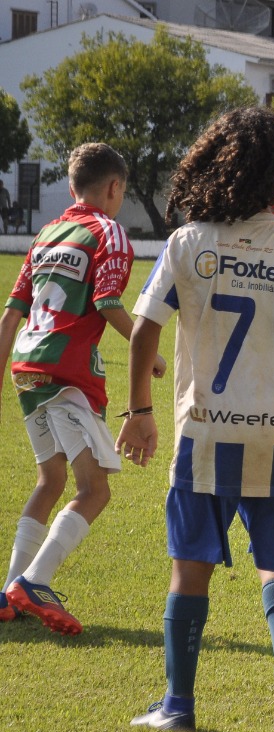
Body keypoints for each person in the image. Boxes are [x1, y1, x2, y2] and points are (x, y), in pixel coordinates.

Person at [119, 107, 274, 732]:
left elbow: (143, 331)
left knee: (189, 567)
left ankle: (177, 705)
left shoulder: (188, 241)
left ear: (216, 163)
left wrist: (139, 411)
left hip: (205, 430)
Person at [0, 143, 166, 633]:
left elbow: (11, 314)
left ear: (73, 186)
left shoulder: (47, 234)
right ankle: (34, 582)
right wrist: (149, 351)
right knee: (95, 489)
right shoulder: (107, 231)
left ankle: (8, 593)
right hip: (67, 374)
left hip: (27, 368)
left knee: (50, 481)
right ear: (114, 187)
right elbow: (109, 301)